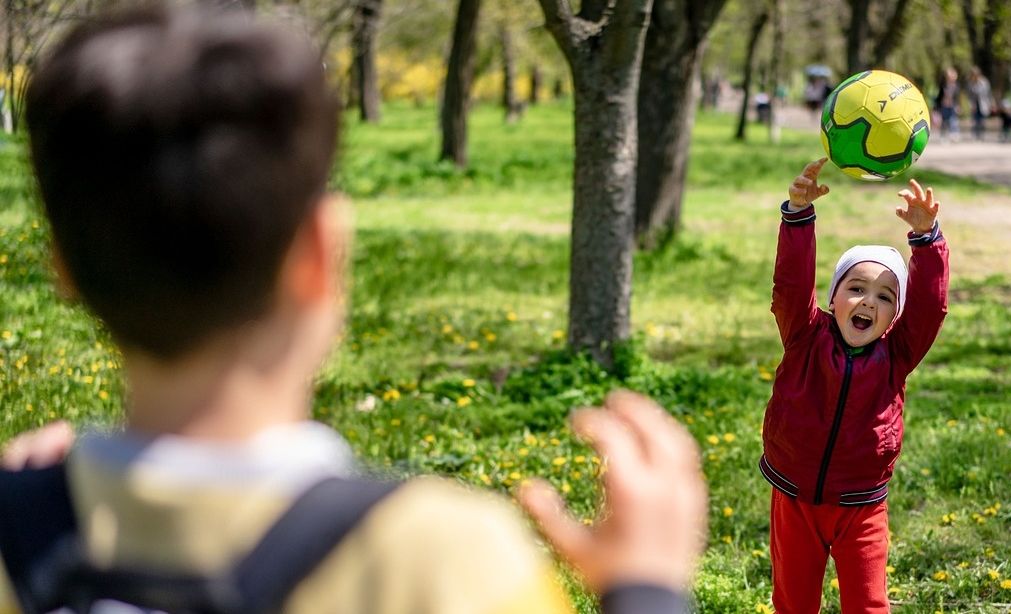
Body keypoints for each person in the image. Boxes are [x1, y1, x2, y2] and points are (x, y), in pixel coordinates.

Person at [0, 5, 708, 613]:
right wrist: (645, 588)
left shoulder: (19, 536)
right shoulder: (441, 561)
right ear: (321, 252)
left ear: (62, 264)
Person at [760, 159, 949, 613]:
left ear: (894, 317)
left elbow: (930, 308)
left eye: (885, 296)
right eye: (856, 288)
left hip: (862, 507)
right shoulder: (804, 336)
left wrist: (927, 240)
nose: (868, 301)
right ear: (832, 298)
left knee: (867, 606)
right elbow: (790, 284)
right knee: (793, 603)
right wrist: (798, 215)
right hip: (794, 498)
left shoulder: (897, 354)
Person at [934, 67, 960, 141]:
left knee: (953, 120)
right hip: (944, 106)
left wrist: (958, 105)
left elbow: (957, 97)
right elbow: (939, 96)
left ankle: (954, 134)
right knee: (944, 121)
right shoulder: (943, 85)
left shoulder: (956, 86)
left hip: (952, 106)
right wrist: (937, 106)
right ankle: (943, 136)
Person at [967, 66, 993, 140]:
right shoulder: (970, 83)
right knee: (975, 120)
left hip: (983, 104)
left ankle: (982, 135)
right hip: (974, 104)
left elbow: (988, 94)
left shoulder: (984, 82)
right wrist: (970, 104)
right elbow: (969, 95)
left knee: (982, 121)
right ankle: (975, 135)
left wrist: (990, 103)